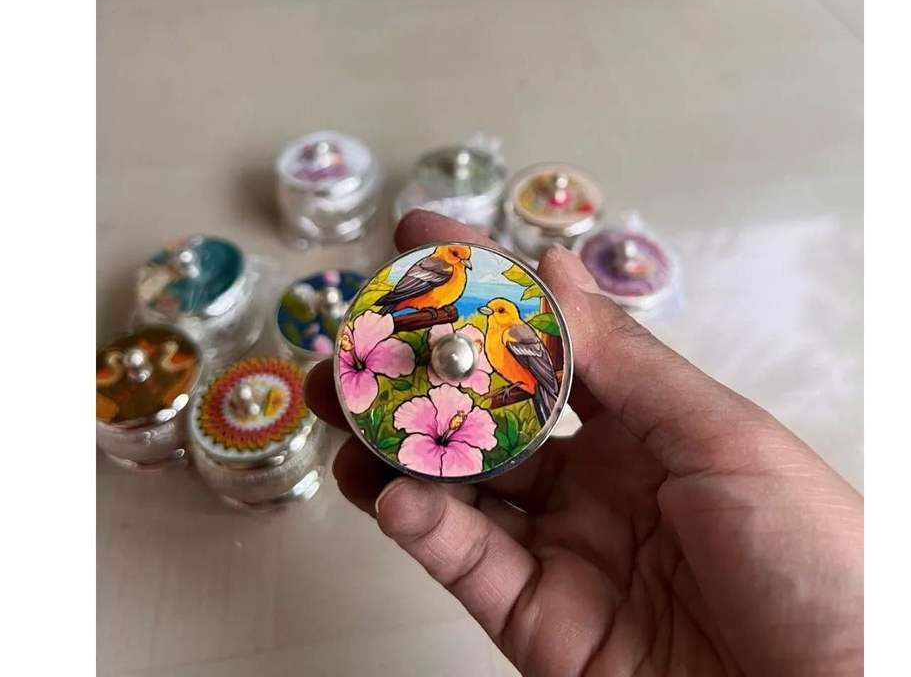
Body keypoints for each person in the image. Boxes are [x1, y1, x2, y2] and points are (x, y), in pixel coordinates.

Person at [305, 211, 864, 677]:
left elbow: (534, 373)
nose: (493, 312)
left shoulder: (512, 329)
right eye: (494, 310)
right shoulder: (489, 319)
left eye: (496, 308)